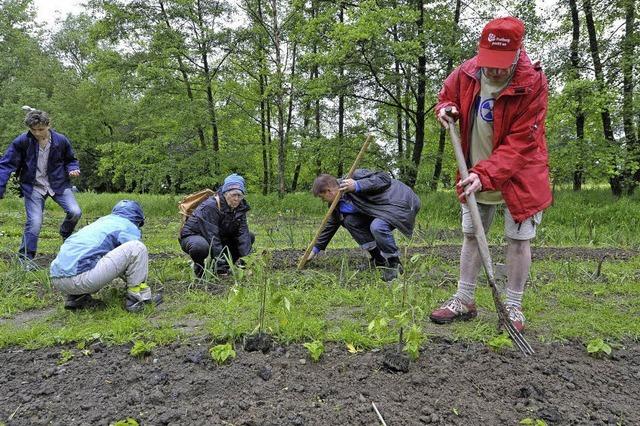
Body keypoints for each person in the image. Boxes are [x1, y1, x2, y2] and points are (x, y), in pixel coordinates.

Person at [429, 16, 552, 331]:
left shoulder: (533, 82)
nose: (494, 70)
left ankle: (512, 307)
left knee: (518, 240)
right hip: (474, 170)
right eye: (489, 61)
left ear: (518, 51)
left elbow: (521, 142)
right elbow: (447, 96)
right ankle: (464, 299)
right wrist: (445, 109)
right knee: (471, 235)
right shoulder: (469, 71)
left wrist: (486, 174)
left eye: (501, 63)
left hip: (518, 174)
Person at [0, 108, 82, 267]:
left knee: (75, 212)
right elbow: (5, 164)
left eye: (41, 129)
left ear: (49, 125)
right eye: (34, 130)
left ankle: (65, 233)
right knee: (35, 222)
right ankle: (25, 260)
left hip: (58, 184)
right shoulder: (22, 141)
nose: (37, 133)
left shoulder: (61, 141)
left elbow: (71, 159)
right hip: (33, 186)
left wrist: (72, 168)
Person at [308, 169, 421, 282]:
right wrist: (314, 250)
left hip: (400, 201)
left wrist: (357, 185)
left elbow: (384, 178)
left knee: (377, 226)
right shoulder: (336, 204)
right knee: (350, 221)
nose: (323, 201)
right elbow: (330, 226)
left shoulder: (355, 176)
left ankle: (394, 265)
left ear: (329, 191)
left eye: (322, 197)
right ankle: (380, 261)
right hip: (378, 209)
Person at [50, 200, 162, 312]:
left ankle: (76, 298)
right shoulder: (128, 225)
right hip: (83, 279)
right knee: (138, 247)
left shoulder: (102, 222)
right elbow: (133, 258)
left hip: (57, 279)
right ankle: (138, 300)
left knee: (91, 256)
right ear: (137, 219)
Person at [179, 173, 254, 278]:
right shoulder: (211, 206)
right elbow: (212, 236)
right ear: (225, 193)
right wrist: (221, 268)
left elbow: (243, 233)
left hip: (219, 235)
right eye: (233, 195)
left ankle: (227, 265)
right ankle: (200, 268)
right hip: (194, 236)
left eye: (239, 195)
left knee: (249, 236)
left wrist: (247, 262)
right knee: (200, 247)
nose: (237, 199)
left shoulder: (240, 207)